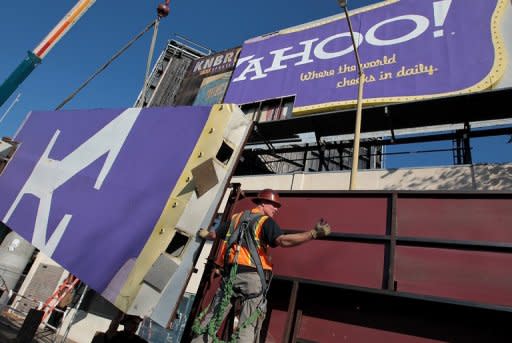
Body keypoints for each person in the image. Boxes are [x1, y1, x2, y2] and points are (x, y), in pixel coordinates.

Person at [192, 189, 330, 343]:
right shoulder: (265, 222)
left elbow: (214, 235)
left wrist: (204, 234)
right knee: (247, 325)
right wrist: (312, 234)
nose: (276, 209)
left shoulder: (236, 218)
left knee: (212, 320)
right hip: (252, 280)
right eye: (274, 205)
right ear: (263, 203)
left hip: (230, 278)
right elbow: (283, 241)